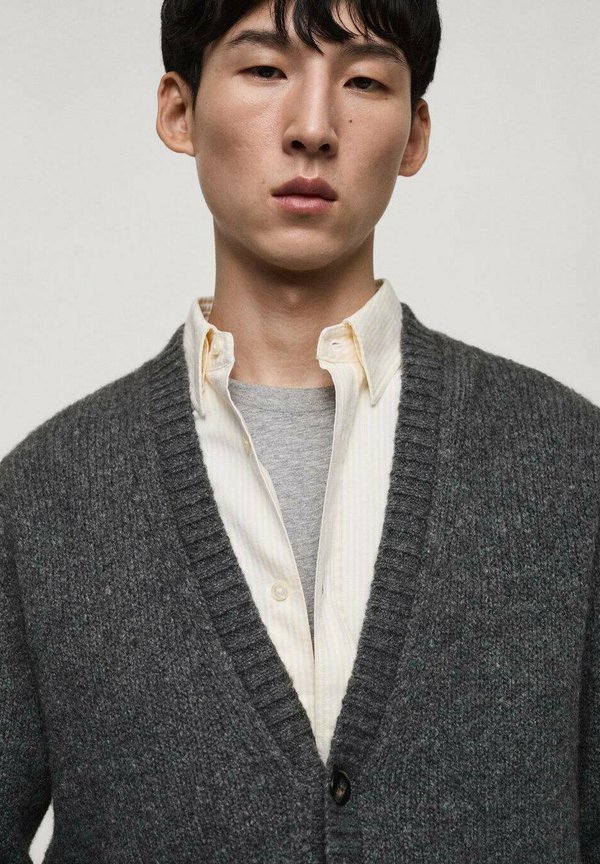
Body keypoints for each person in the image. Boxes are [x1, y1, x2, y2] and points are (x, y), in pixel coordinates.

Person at [0, 0, 598, 861]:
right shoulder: (45, 497)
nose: (313, 128)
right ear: (179, 110)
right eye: (265, 69)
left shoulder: (569, 466)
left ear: (415, 135)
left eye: (364, 82)